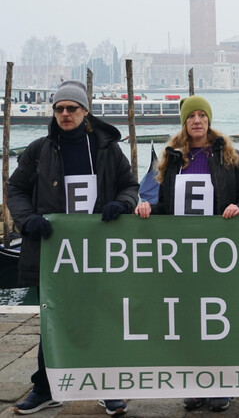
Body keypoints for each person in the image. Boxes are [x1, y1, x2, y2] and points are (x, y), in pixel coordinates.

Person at [7, 80, 138, 416]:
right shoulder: (38, 150)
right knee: (53, 319)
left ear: (85, 112)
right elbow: (16, 190)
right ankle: (46, 387)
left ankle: (107, 386)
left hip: (98, 251)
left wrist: (121, 205)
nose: (65, 114)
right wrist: (27, 220)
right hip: (52, 251)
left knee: (102, 317)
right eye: (59, 108)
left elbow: (130, 186)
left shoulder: (107, 150)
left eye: (72, 108)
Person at [134, 95, 239, 413]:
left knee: (218, 320)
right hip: (184, 255)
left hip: (218, 254)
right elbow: (166, 205)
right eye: (191, 117)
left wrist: (237, 208)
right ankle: (194, 383)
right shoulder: (172, 158)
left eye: (202, 116)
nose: (197, 121)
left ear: (209, 120)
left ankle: (221, 385)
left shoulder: (229, 157)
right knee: (189, 321)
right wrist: (148, 209)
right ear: (184, 123)